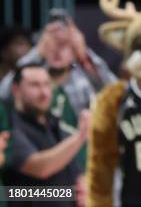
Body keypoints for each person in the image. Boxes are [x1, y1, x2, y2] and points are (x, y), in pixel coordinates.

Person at [4, 61, 88, 207]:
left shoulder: (57, 125)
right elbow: (40, 168)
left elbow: (76, 174)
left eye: (47, 84)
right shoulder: (9, 128)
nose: (44, 92)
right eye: (35, 85)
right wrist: (81, 135)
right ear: (16, 90)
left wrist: (83, 187)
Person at [1, 13, 117, 115]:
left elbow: (118, 95)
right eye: (53, 43)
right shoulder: (35, 76)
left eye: (64, 45)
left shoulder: (85, 79)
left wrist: (84, 54)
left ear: (74, 50)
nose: (57, 51)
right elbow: (3, 94)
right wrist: (37, 52)